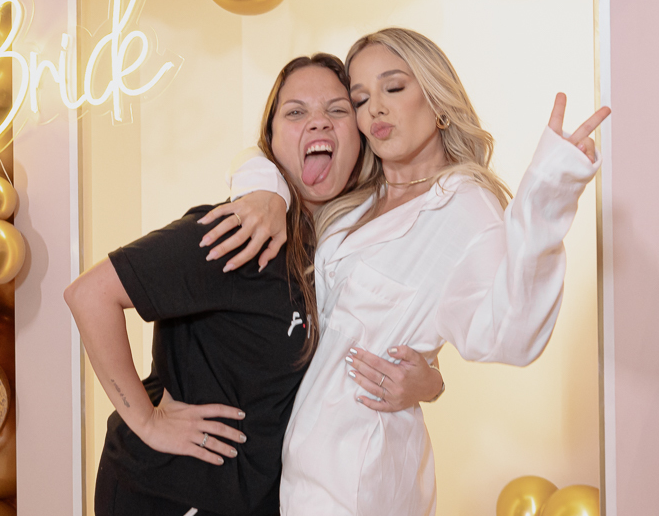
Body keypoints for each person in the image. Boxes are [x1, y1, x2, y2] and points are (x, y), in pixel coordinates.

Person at [200, 27, 610, 515]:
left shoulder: (465, 208)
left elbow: (509, 334)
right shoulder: (353, 196)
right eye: (360, 99)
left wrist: (548, 191)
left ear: (437, 102)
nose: (375, 109)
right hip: (291, 466)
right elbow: (266, 156)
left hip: (362, 476)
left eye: (393, 88)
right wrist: (265, 192)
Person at [64, 54, 444, 516]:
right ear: (271, 139)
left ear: (361, 138)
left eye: (338, 110)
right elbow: (90, 294)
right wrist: (146, 421)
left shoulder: (345, 252)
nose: (318, 122)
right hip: (169, 493)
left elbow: (389, 343)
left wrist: (428, 383)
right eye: (296, 112)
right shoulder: (237, 232)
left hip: (265, 499)